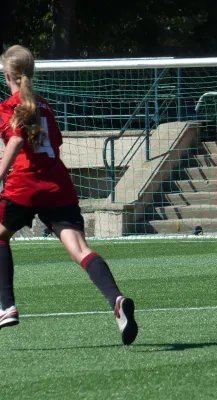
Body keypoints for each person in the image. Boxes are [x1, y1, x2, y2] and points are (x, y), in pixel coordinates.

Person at [0, 45, 138, 345]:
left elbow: (15, 141)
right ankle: (116, 300)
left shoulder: (11, 106)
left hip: (25, 184)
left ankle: (6, 305)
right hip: (59, 185)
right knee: (80, 249)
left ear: (7, 74)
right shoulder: (45, 106)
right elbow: (54, 144)